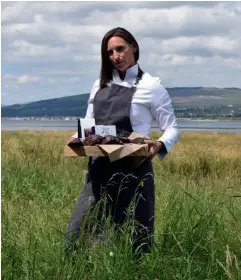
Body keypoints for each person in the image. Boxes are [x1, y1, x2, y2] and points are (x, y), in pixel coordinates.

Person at [64, 27, 180, 256]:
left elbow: (172, 128)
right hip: (99, 169)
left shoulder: (151, 86)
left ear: (134, 47)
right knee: (75, 236)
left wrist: (158, 145)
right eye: (109, 52)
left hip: (134, 171)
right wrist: (78, 137)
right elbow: (89, 124)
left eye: (120, 49)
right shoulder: (99, 85)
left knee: (136, 240)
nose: (115, 56)